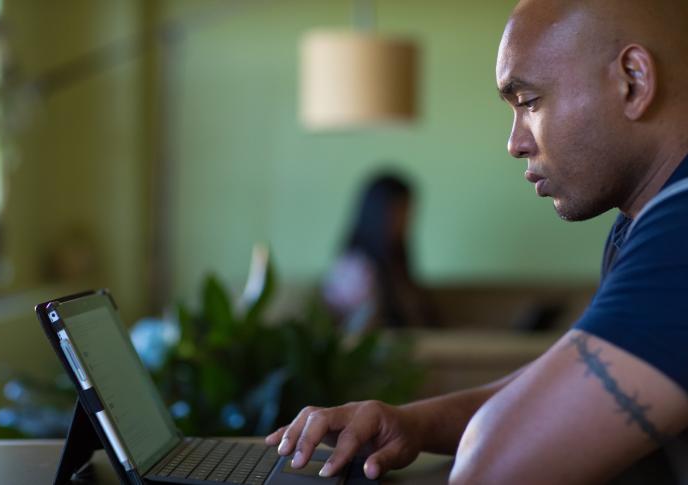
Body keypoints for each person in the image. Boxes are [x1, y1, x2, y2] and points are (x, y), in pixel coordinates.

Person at [265, 0, 688, 483]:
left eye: (529, 102)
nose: (515, 143)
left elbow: (489, 471)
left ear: (632, 80)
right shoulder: (641, 222)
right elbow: (552, 396)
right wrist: (413, 424)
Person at [322, 173, 435, 331]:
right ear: (376, 214)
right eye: (399, 212)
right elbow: (349, 335)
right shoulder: (355, 269)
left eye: (408, 212)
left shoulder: (396, 265)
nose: (406, 221)